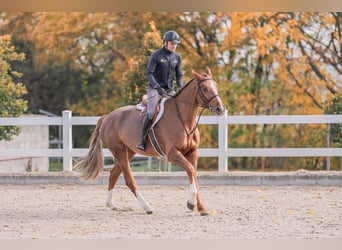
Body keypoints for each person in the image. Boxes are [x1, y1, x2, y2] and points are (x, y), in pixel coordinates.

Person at [137, 30, 184, 151]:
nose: (174, 45)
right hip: (155, 89)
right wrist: (157, 87)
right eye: (172, 43)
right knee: (152, 112)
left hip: (170, 90)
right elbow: (149, 73)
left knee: (180, 109)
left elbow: (179, 75)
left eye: (175, 43)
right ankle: (142, 139)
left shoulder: (177, 57)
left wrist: (180, 87)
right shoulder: (156, 55)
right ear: (166, 42)